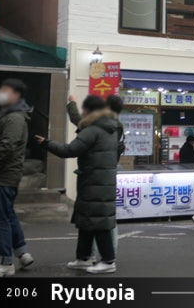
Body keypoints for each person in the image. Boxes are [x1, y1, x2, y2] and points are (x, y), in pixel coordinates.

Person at [36, 95, 119, 274]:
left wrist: (47, 143)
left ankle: (108, 260)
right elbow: (79, 122)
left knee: (97, 222)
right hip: (99, 182)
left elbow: (70, 150)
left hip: (94, 182)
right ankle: (83, 257)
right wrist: (71, 103)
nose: (82, 112)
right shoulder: (109, 128)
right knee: (87, 221)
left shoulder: (93, 130)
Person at [0, 78, 34, 277]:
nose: (0, 93)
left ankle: (5, 263)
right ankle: (22, 252)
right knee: (8, 215)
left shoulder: (14, 118)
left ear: (16, 95)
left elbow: (7, 147)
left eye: (5, 90)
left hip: (3, 175)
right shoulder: (11, 116)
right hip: (5, 174)